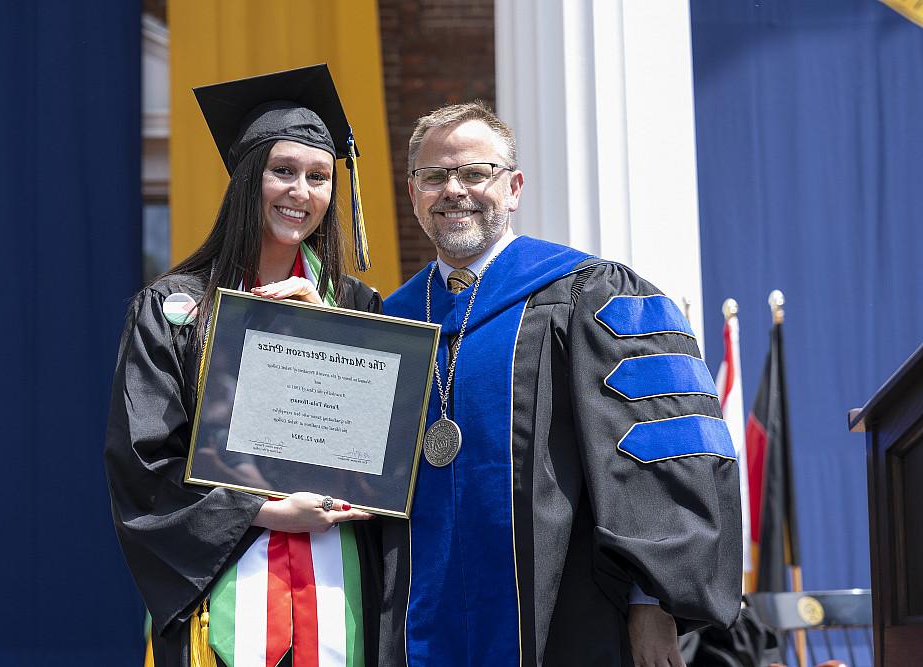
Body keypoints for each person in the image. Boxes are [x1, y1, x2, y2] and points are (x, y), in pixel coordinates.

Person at [379, 101, 742, 667]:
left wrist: (653, 603)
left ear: (515, 186)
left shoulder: (587, 295)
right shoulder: (393, 320)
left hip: (567, 616)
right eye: (435, 176)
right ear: (413, 193)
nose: (455, 190)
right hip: (416, 619)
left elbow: (657, 456)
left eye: (475, 173)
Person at [104, 65, 382, 667]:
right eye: (282, 171)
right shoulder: (177, 308)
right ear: (247, 179)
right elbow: (143, 464)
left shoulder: (358, 307)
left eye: (317, 177)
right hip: (227, 598)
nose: (300, 192)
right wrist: (267, 510)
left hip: (342, 598)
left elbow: (387, 448)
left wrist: (333, 332)